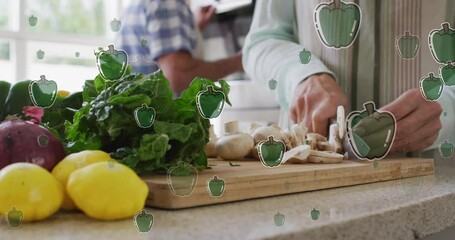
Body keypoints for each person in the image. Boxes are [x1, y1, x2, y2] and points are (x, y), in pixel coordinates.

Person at [243, 0, 455, 154]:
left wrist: (448, 108)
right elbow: (262, 42)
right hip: (305, 172)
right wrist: (301, 75)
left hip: (434, 177)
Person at [117, 0, 243, 94]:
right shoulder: (168, 3)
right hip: (159, 125)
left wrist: (192, 30)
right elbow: (178, 76)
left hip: (138, 122)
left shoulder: (136, 4)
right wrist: (238, 62)